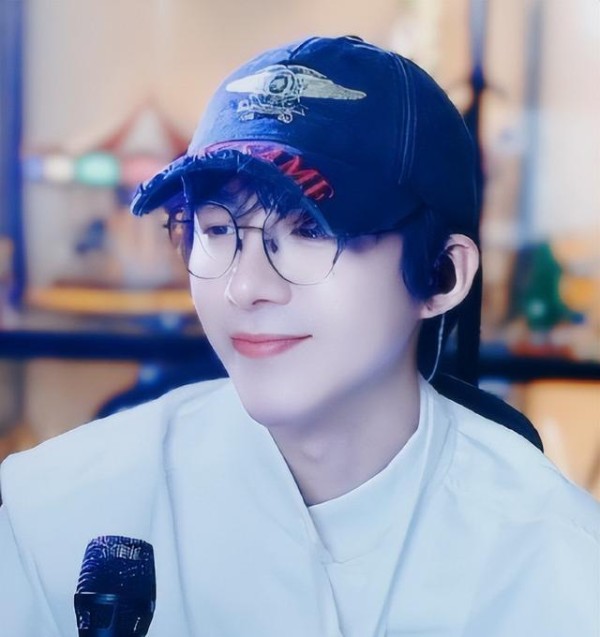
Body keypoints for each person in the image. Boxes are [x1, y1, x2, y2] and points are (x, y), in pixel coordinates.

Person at [0, 35, 598, 637]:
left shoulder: (555, 567)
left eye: (310, 230)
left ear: (441, 274)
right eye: (217, 230)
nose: (244, 287)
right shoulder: (55, 517)